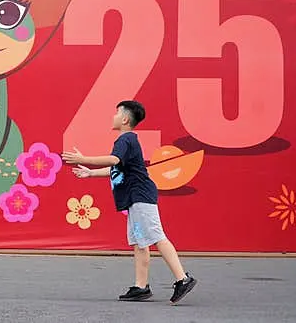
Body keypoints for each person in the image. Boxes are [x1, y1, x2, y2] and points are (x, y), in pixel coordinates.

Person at [61, 100, 197, 304]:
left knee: (157, 236)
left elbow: (114, 161)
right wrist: (91, 173)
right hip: (135, 198)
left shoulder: (125, 140)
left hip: (140, 196)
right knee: (140, 241)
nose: (114, 117)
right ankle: (140, 287)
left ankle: (182, 279)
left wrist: (84, 157)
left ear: (125, 119)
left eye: (117, 113)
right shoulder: (128, 141)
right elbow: (118, 168)